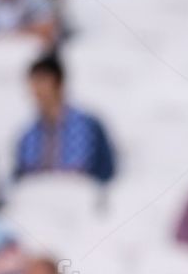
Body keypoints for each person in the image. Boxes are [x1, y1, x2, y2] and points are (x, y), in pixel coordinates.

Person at [13, 54, 116, 183]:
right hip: (38, 197)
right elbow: (20, 177)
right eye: (33, 83)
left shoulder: (90, 126)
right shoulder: (27, 135)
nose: (37, 90)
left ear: (59, 83)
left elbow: (106, 171)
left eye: (42, 81)